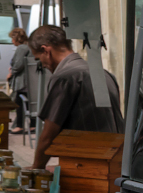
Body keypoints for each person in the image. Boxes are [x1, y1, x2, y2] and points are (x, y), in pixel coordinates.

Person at [30, 24, 125, 169]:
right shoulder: (105, 74)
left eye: (38, 59)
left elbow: (48, 136)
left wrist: (36, 168)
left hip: (88, 164)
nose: (41, 65)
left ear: (45, 50)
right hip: (117, 160)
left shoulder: (65, 78)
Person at [8, 27, 40, 134]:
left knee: (19, 103)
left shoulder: (22, 48)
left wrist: (11, 73)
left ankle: (20, 126)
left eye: (12, 38)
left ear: (17, 38)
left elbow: (18, 64)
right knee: (30, 102)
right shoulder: (29, 46)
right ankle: (32, 125)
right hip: (31, 80)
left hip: (23, 81)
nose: (12, 41)